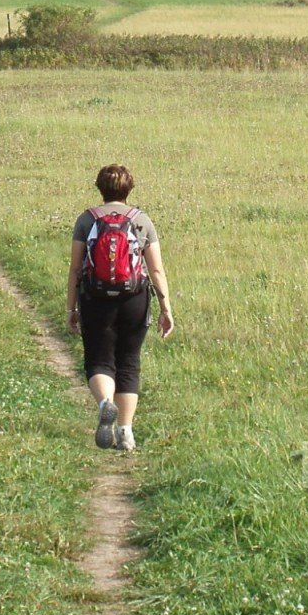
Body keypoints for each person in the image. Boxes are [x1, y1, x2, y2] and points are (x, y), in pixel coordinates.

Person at [67, 163, 174, 451]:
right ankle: (126, 432)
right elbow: (157, 270)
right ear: (129, 189)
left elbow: (76, 269)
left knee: (99, 360)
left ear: (100, 188)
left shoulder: (86, 220)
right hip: (134, 299)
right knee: (129, 361)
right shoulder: (142, 221)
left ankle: (105, 403)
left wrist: (71, 309)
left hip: (95, 298)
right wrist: (166, 308)